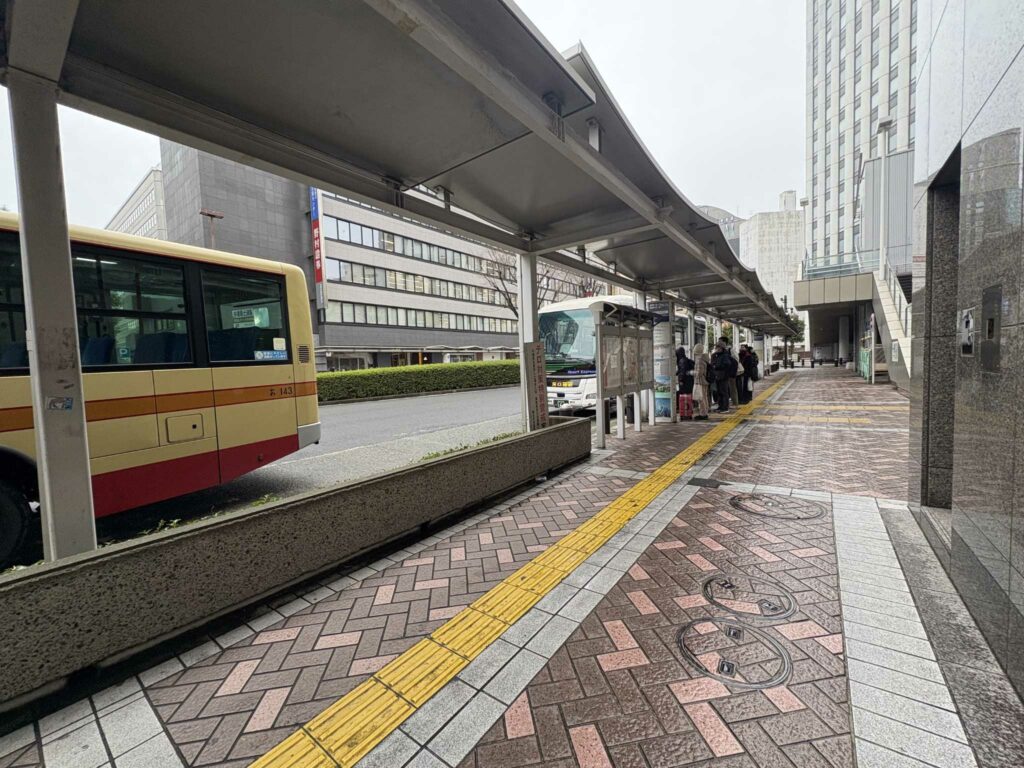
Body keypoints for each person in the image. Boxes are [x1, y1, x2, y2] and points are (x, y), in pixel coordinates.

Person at [710, 340, 733, 413]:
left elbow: (727, 365)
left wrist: (717, 366)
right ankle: (720, 406)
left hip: (723, 376)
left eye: (718, 347)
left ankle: (725, 408)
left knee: (724, 392)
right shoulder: (717, 355)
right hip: (718, 376)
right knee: (719, 392)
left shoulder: (725, 355)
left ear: (722, 348)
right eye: (716, 347)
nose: (716, 348)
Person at [691, 343, 710, 420]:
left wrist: (692, 372)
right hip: (704, 381)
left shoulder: (699, 360)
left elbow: (699, 373)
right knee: (704, 398)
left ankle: (703, 414)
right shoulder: (704, 358)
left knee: (701, 399)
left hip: (700, 382)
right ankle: (705, 412)